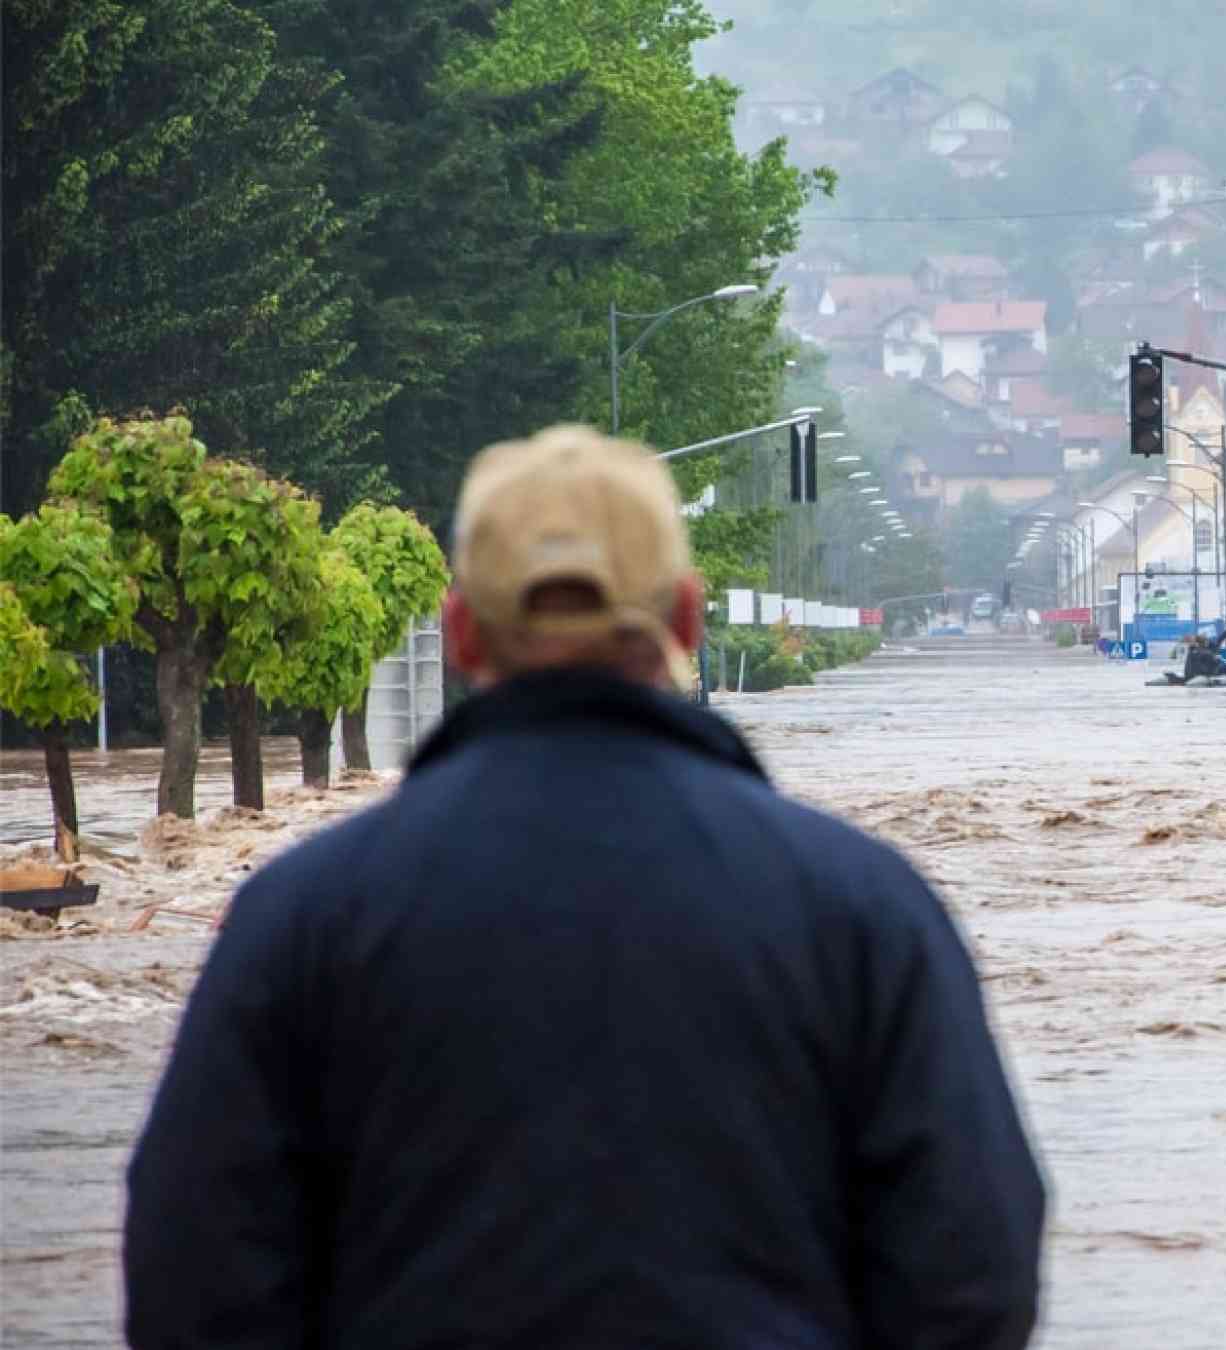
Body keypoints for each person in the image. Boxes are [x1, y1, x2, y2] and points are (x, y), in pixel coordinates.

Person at [123, 425, 1046, 1348]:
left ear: (460, 631)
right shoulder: (864, 910)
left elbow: (195, 1279)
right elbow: (971, 1271)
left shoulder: (303, 915)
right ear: (687, 620)